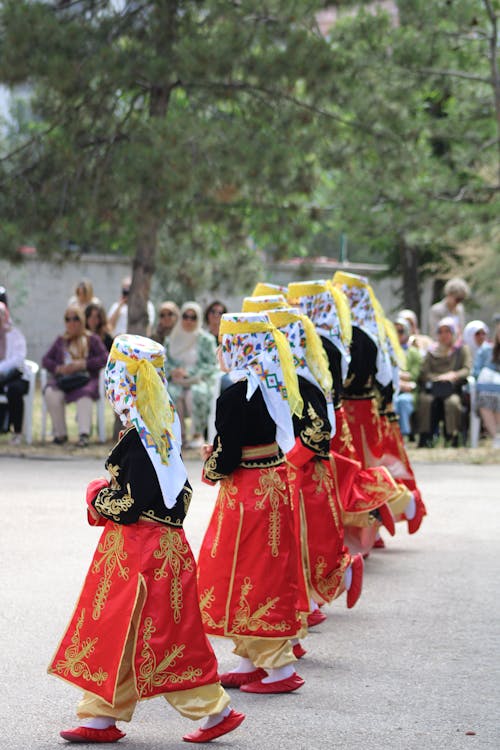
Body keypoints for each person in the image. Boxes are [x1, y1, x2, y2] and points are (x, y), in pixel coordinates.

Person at [48, 334, 245, 744]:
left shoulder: (140, 439)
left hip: (140, 554)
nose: (109, 387)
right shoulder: (161, 432)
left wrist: (95, 494)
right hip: (159, 550)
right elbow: (182, 495)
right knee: (125, 634)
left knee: (160, 637)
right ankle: (101, 715)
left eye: (113, 379)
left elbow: (130, 505)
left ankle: (214, 710)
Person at [196, 312, 307, 694]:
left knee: (248, 571)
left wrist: (210, 465)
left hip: (246, 492)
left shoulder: (233, 395)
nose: (221, 351)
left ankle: (278, 669)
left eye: (225, 344)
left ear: (237, 347)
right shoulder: (274, 386)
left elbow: (227, 456)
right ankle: (249, 659)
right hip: (274, 482)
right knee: (267, 568)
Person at [42, 305, 108, 447]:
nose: (72, 322)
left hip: (86, 379)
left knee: (85, 395)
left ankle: (83, 435)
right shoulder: (61, 340)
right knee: (50, 393)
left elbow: (105, 358)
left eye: (76, 318)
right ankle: (60, 434)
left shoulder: (92, 339)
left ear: (82, 320)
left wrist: (84, 364)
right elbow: (46, 360)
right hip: (65, 380)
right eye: (68, 319)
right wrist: (59, 368)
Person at [165, 302, 218, 448]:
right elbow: (164, 361)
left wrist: (189, 373)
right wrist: (173, 371)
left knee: (194, 394)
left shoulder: (206, 340)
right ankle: (178, 435)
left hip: (198, 380)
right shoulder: (171, 339)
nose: (189, 320)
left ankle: (197, 435)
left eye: (193, 317)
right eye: (185, 316)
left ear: (199, 319)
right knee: (173, 394)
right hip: (176, 381)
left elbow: (212, 364)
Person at [416, 316, 472, 447]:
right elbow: (424, 372)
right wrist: (436, 378)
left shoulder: (461, 349)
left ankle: (452, 437)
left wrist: (453, 375)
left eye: (447, 331)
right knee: (425, 401)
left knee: (452, 403)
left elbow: (467, 369)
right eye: (440, 332)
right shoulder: (431, 351)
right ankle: (425, 437)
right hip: (433, 388)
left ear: (453, 333)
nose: (444, 335)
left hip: (452, 389)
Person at [0, 301, 29, 445]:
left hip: (16, 376)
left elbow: (18, 359)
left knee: (14, 390)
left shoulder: (15, 334)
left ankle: (17, 432)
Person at [393, 316, 422, 439]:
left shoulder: (413, 352)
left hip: (410, 391)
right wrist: (399, 379)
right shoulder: (389, 350)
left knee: (403, 401)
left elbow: (414, 375)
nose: (397, 334)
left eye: (400, 331)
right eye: (395, 331)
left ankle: (403, 435)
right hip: (394, 388)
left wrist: (395, 375)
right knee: (393, 401)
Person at [473, 318, 500, 447]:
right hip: (488, 389)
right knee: (486, 399)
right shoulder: (486, 350)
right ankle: (496, 437)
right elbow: (476, 372)